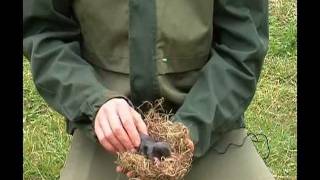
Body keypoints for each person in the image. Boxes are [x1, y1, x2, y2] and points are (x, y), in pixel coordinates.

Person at [23, 0, 274, 179]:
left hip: (206, 120)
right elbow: (45, 34)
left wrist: (193, 127)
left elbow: (242, 47)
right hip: (108, 134)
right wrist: (95, 102)